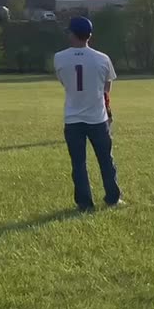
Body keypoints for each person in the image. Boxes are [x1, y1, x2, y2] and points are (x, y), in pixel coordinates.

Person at [54, 17, 122, 212]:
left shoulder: (59, 57)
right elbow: (107, 87)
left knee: (78, 163)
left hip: (73, 119)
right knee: (105, 160)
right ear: (89, 35)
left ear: (73, 34)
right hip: (97, 118)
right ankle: (113, 198)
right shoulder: (102, 58)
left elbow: (64, 82)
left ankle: (84, 203)